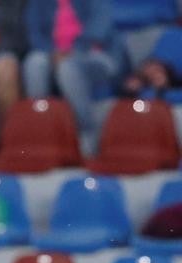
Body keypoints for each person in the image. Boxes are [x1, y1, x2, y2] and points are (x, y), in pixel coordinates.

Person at [22, 0, 121, 156]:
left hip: (93, 54)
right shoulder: (38, 3)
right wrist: (52, 53)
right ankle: (39, 130)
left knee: (68, 68)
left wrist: (73, 51)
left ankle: (86, 134)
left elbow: (99, 27)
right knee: (34, 63)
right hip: (53, 55)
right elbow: (34, 33)